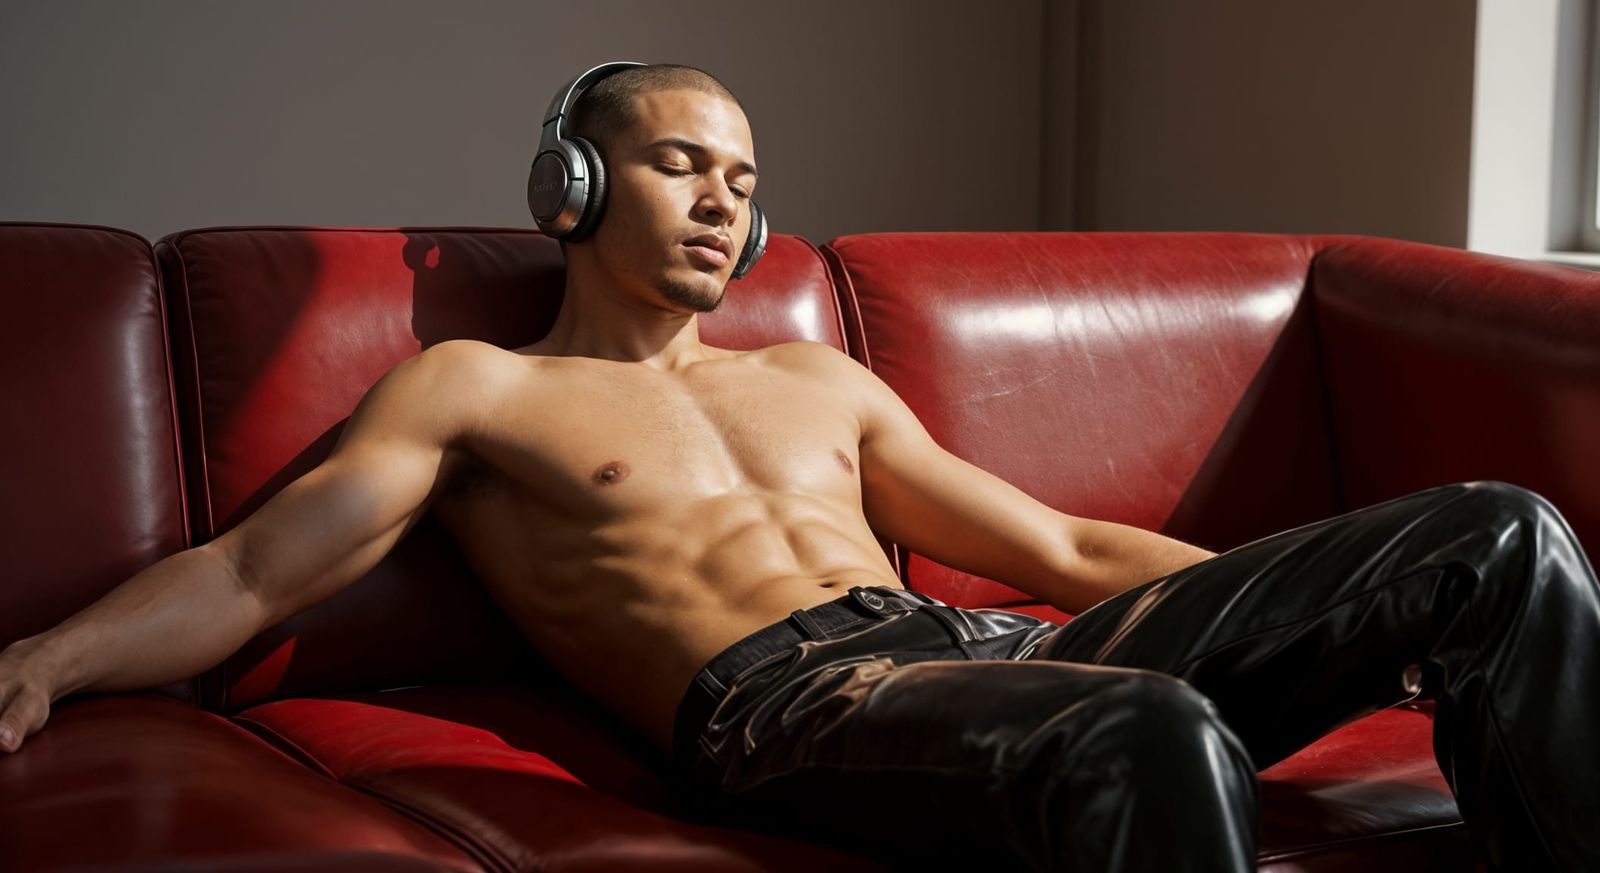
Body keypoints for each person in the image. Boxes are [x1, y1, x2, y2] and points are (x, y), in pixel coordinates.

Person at [0, 61, 1595, 873]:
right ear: (571, 185)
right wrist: (46, 661)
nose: (719, 200)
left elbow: (1066, 552)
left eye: (742, 180)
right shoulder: (474, 390)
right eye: (680, 162)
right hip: (790, 707)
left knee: (1502, 538)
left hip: (1006, 660)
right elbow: (252, 569)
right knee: (1145, 725)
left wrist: (1354, 634)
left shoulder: (815, 380)